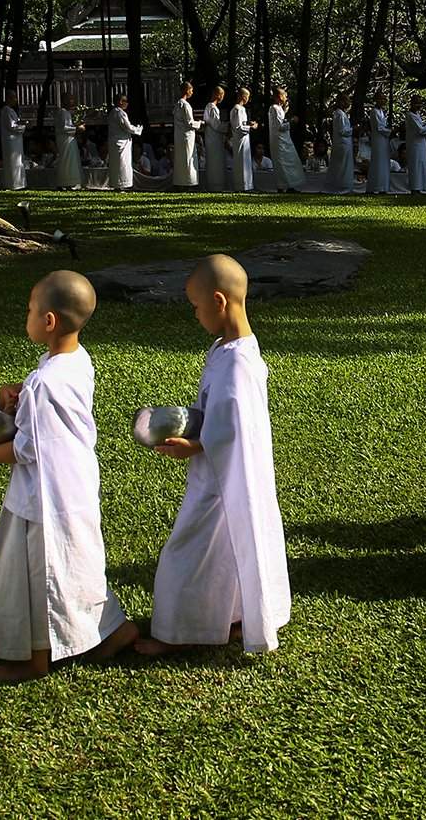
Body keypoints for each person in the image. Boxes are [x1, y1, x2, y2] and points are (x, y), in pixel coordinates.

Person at [0, 270, 138, 680]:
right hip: (75, 485)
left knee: (40, 571)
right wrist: (21, 393)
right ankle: (112, 631)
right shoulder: (74, 360)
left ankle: (35, 658)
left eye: (30, 309)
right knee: (80, 562)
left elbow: (27, 448)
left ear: (49, 321)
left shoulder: (44, 382)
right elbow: (49, 410)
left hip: (44, 498)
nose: (27, 315)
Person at [135, 255, 292, 656]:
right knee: (226, 549)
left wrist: (195, 444)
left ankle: (177, 633)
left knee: (187, 551)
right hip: (219, 471)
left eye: (196, 306)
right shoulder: (226, 348)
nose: (195, 314)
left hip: (223, 478)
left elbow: (238, 427)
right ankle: (234, 616)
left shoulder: (239, 361)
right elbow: (222, 413)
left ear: (219, 302)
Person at [267, 86, 304, 193]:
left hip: (283, 140)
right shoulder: (274, 108)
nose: (286, 97)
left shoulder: (277, 108)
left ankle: (287, 185)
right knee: (284, 163)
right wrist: (292, 121)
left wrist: (284, 111)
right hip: (280, 141)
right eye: (284, 95)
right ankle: (284, 186)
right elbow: (280, 126)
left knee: (287, 162)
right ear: (279, 96)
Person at [107, 96, 144, 192]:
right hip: (120, 142)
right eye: (126, 101)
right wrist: (138, 129)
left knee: (118, 164)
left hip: (117, 142)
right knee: (121, 164)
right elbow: (127, 127)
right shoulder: (120, 113)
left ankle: (118, 185)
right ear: (120, 101)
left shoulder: (112, 112)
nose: (127, 103)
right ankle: (120, 185)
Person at [173, 82, 204, 189]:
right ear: (187, 90)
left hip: (179, 136)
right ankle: (188, 183)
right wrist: (200, 123)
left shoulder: (177, 104)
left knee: (181, 159)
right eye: (191, 90)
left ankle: (180, 182)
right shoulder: (185, 105)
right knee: (188, 159)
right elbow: (189, 123)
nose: (192, 92)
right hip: (186, 136)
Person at [51, 96, 84, 191]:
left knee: (69, 160)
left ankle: (68, 182)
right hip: (65, 140)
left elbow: (67, 126)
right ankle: (65, 182)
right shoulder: (63, 112)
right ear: (64, 101)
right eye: (70, 99)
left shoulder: (65, 112)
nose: (72, 101)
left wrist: (76, 126)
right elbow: (64, 128)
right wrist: (77, 129)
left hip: (68, 138)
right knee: (67, 160)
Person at [228, 88, 257, 192]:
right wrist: (251, 127)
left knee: (245, 162)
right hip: (240, 139)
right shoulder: (237, 109)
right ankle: (241, 186)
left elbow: (242, 124)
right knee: (241, 163)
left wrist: (249, 124)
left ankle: (247, 186)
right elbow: (238, 128)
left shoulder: (240, 109)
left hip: (244, 139)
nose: (248, 99)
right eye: (247, 96)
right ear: (243, 96)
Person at [201, 86, 228, 192]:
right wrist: (228, 126)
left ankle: (214, 184)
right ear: (218, 95)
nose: (222, 98)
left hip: (212, 137)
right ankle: (215, 185)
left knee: (214, 161)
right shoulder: (212, 107)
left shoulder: (209, 107)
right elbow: (216, 125)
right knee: (215, 162)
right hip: (214, 138)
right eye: (222, 95)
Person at [0, 100, 28, 190]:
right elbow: (12, 126)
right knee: (13, 162)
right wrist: (23, 127)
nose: (15, 100)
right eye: (13, 97)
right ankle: (13, 184)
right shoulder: (6, 110)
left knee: (18, 161)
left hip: (16, 140)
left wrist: (22, 122)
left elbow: (16, 122)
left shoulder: (11, 110)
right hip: (11, 141)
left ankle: (19, 183)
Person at [326, 100, 355, 194]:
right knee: (342, 166)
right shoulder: (340, 114)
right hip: (343, 143)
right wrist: (353, 129)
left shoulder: (340, 114)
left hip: (344, 143)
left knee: (343, 166)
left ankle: (344, 186)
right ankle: (342, 187)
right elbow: (342, 131)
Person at [368, 93, 393, 195]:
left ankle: (383, 186)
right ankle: (375, 186)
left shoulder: (382, 112)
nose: (383, 101)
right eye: (381, 99)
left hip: (384, 140)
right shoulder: (374, 112)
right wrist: (391, 131)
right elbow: (379, 127)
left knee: (383, 163)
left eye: (384, 99)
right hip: (378, 140)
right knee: (378, 162)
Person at [406, 96, 426, 193]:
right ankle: (414, 188)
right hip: (414, 144)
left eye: (420, 103)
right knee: (415, 165)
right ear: (412, 103)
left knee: (421, 164)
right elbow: (420, 130)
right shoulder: (410, 115)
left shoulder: (417, 114)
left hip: (421, 144)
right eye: (416, 103)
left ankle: (420, 187)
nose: (419, 106)